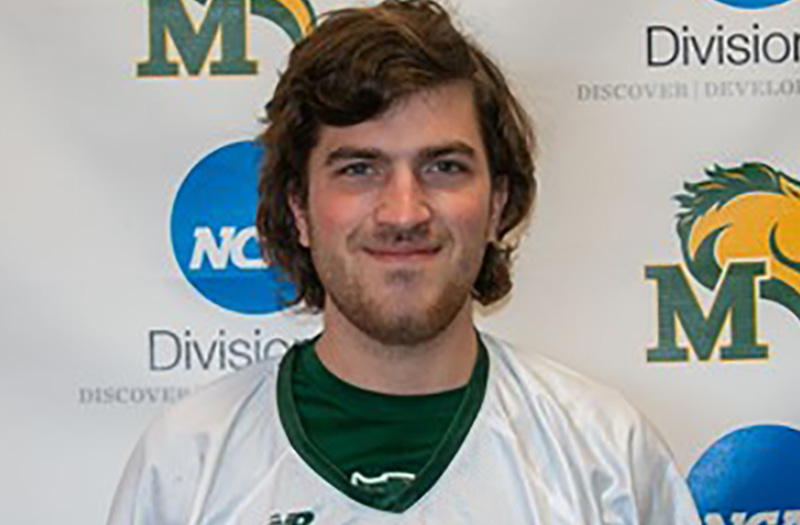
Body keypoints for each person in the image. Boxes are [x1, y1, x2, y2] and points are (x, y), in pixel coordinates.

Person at [108, 1, 701, 523]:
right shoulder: (187, 463)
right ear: (300, 210)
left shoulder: (606, 457)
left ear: (498, 203)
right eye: (359, 169)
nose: (403, 212)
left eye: (444, 167)